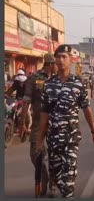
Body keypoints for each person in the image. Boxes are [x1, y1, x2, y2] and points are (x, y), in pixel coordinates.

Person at [36, 44, 94, 198]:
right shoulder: (48, 86)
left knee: (68, 179)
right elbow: (44, 115)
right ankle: (62, 187)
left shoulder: (78, 84)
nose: (61, 60)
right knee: (57, 176)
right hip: (53, 139)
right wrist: (39, 140)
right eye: (58, 57)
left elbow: (86, 109)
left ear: (71, 60)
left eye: (64, 57)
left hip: (71, 138)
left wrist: (93, 131)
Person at [19, 53, 58, 197]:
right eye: (55, 63)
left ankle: (53, 184)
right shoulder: (33, 78)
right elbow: (26, 101)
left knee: (54, 155)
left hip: (54, 123)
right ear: (49, 64)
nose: (57, 65)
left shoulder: (58, 80)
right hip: (37, 123)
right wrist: (22, 123)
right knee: (34, 154)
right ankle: (44, 175)